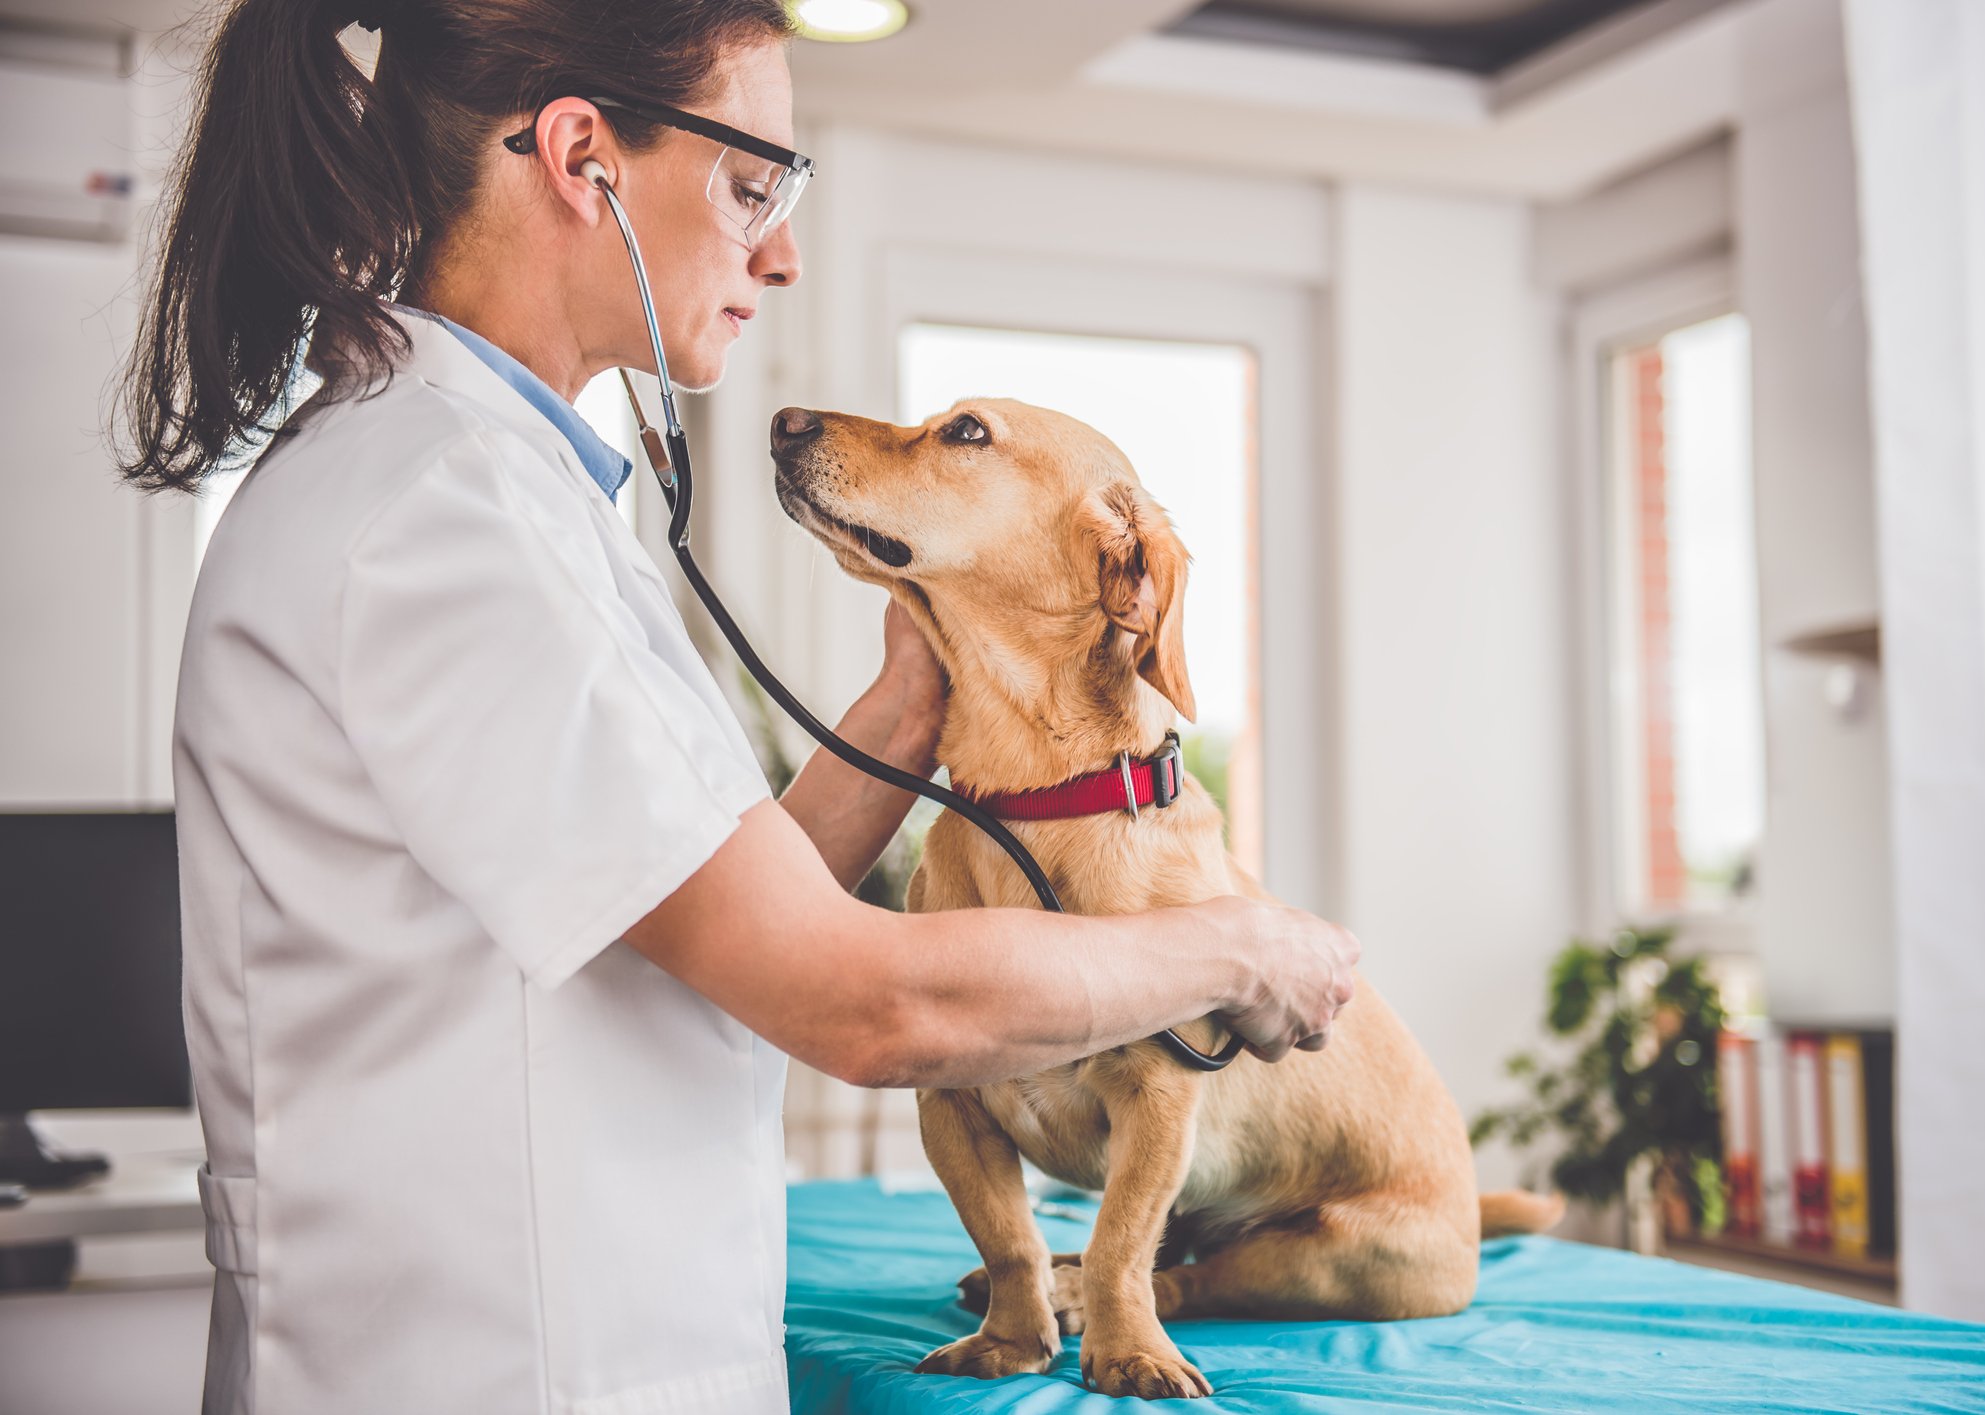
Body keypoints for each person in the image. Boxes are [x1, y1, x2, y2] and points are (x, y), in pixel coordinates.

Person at [120, 0, 1360, 1410]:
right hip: (493, 1364)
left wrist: (908, 712)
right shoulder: (438, 522)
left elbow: (688, 915)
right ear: (583, 155)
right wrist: (1237, 947)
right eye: (753, 183)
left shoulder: (499, 497)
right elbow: (856, 1003)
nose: (781, 251)